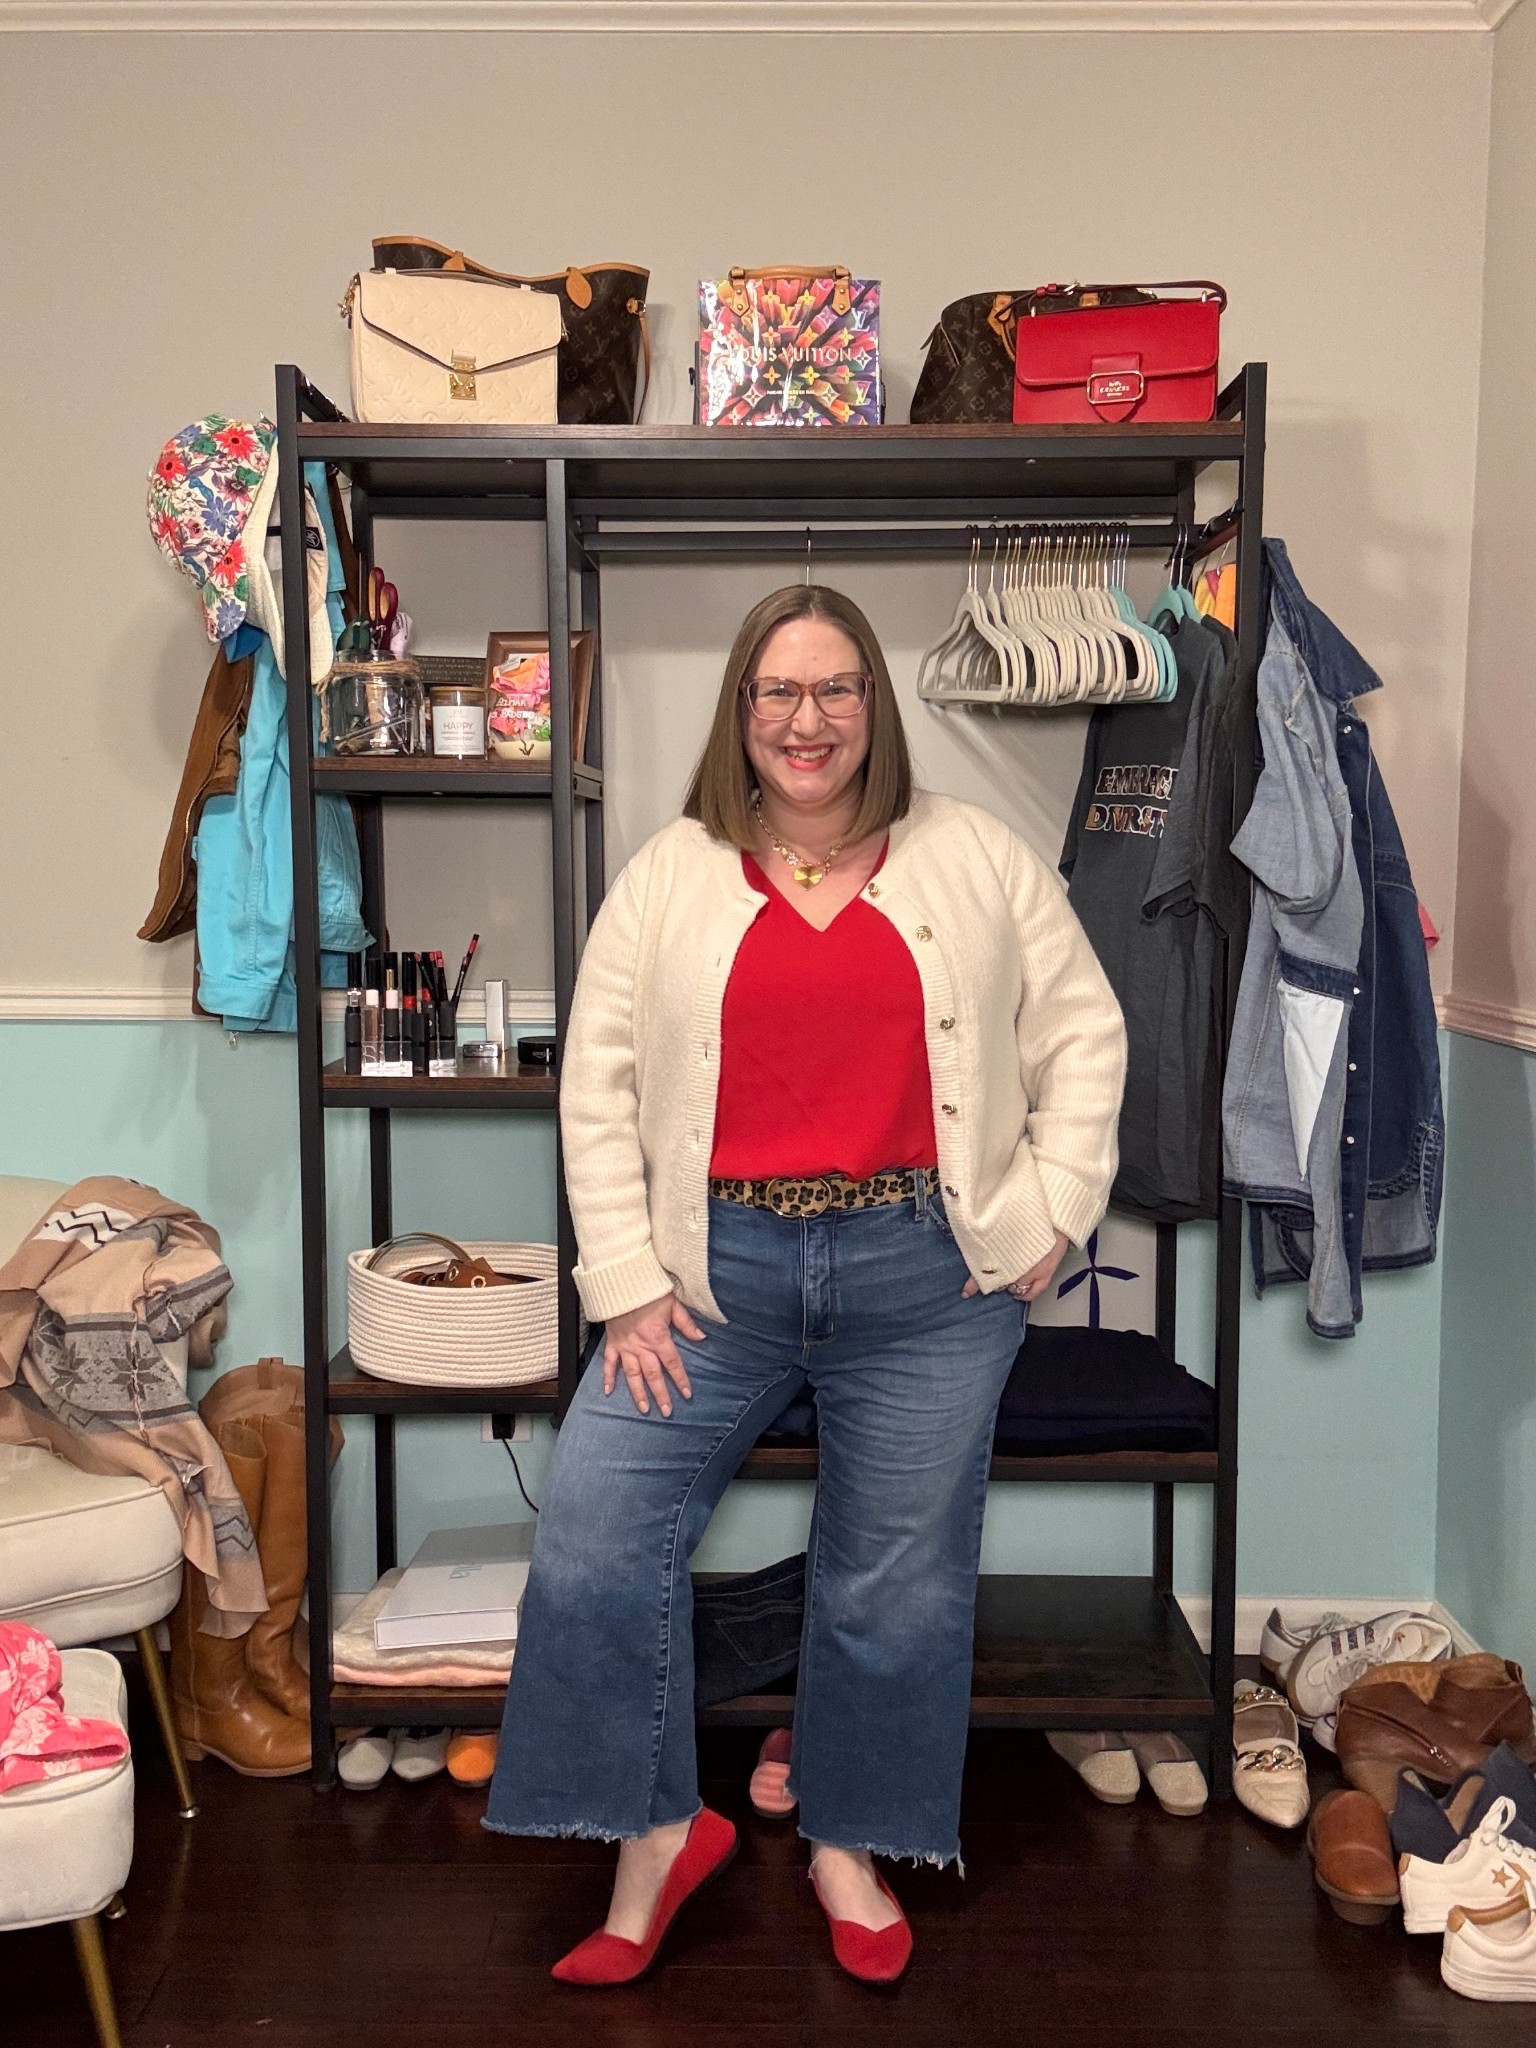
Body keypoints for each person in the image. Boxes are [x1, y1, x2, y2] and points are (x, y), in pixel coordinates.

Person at [484, 584, 1126, 1986]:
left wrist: (1055, 1213)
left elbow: (1085, 1033)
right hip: (712, 1276)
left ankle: (850, 1836)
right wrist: (625, 1284)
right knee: (594, 1535)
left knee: (891, 1578)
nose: (807, 718)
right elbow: (597, 1087)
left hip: (927, 1275)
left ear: (874, 710)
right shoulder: (668, 871)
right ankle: (657, 1830)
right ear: (741, 713)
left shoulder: (977, 858)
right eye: (778, 692)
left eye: (837, 689)